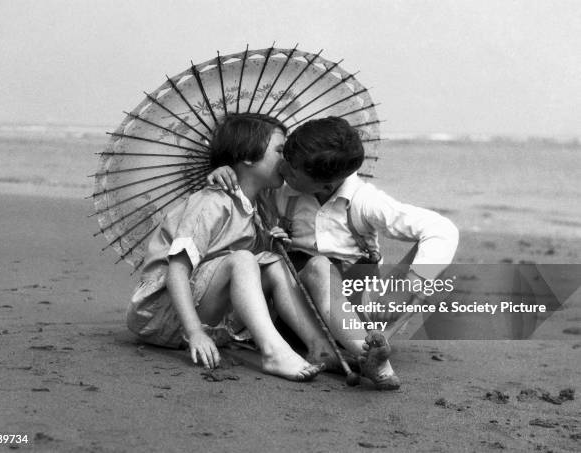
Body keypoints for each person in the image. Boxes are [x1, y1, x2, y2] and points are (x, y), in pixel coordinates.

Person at [207, 116, 459, 389]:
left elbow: (442, 228)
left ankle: (365, 350)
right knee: (313, 265)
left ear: (325, 185)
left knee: (320, 266)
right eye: (284, 158)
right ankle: (371, 360)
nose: (283, 169)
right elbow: (242, 206)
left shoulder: (363, 200)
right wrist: (225, 173)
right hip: (298, 314)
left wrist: (408, 286)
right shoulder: (279, 192)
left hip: (357, 311)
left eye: (292, 171)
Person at [127, 113, 335, 382]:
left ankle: (319, 347)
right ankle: (273, 352)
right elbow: (176, 271)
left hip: (207, 312)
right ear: (248, 157)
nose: (288, 159)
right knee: (242, 260)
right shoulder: (211, 202)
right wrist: (195, 333)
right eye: (280, 150)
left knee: (273, 262)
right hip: (165, 317)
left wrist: (271, 240)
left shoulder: (260, 206)